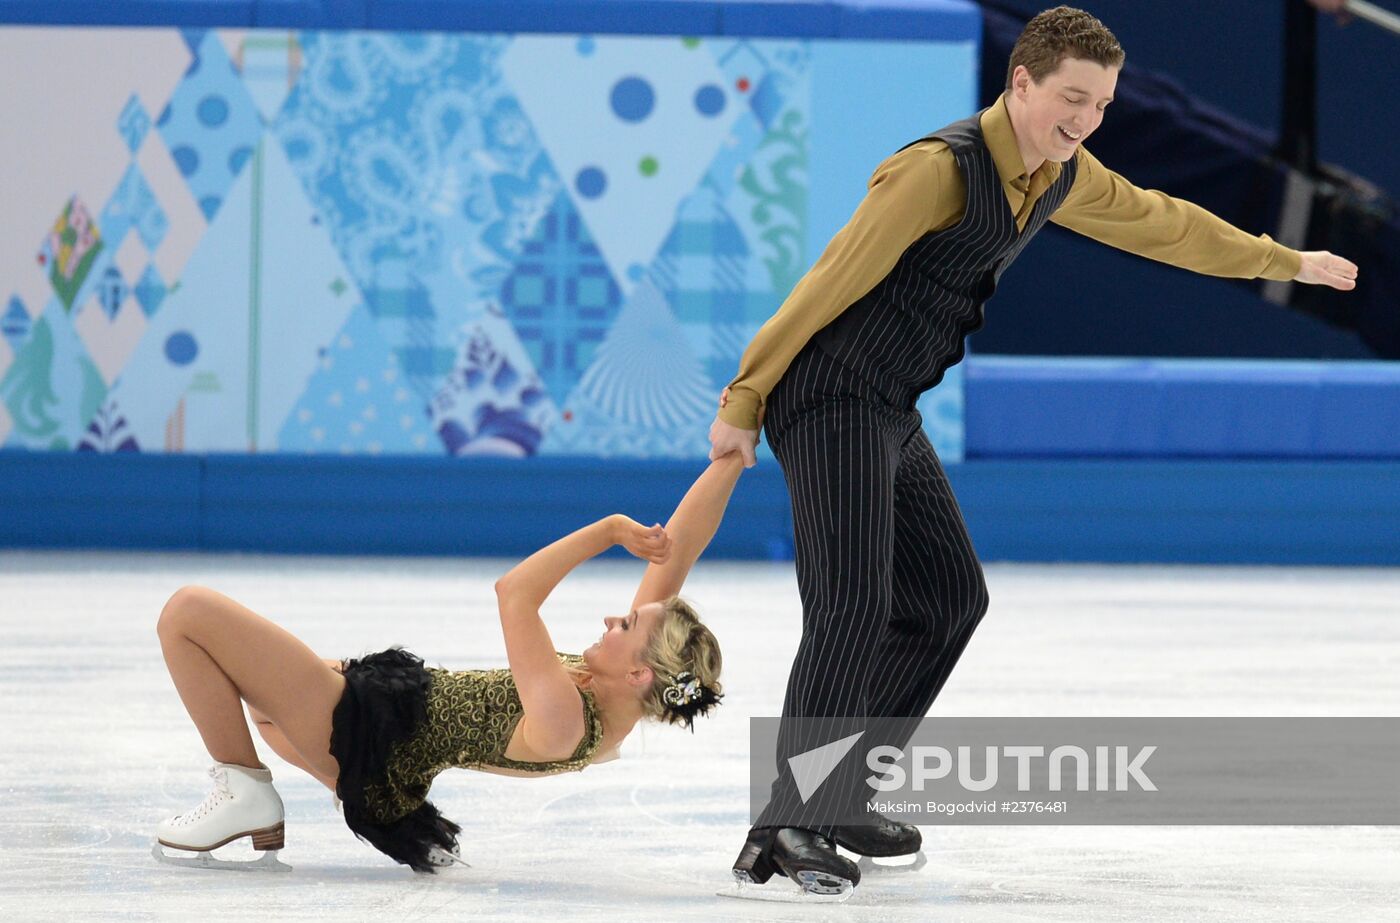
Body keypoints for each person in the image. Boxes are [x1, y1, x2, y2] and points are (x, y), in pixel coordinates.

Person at [708, 5, 1359, 900]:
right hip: (829, 397)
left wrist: (1283, 259)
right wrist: (745, 397)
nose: (1086, 121)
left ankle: (844, 789)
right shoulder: (936, 170)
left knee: (948, 599)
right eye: (1071, 99)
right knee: (853, 604)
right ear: (1020, 82)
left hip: (888, 403)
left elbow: (1164, 221)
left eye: (1100, 106)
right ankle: (786, 823)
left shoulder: (1060, 173)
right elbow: (831, 277)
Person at [153, 453, 742, 873]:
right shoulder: (618, 688)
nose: (613, 620)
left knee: (187, 613)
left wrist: (610, 530)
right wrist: (734, 453)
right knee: (264, 708)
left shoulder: (567, 719)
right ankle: (347, 789)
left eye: (626, 625)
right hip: (390, 715)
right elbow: (680, 546)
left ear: (640, 673)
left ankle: (246, 791)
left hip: (368, 733)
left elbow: (514, 592)